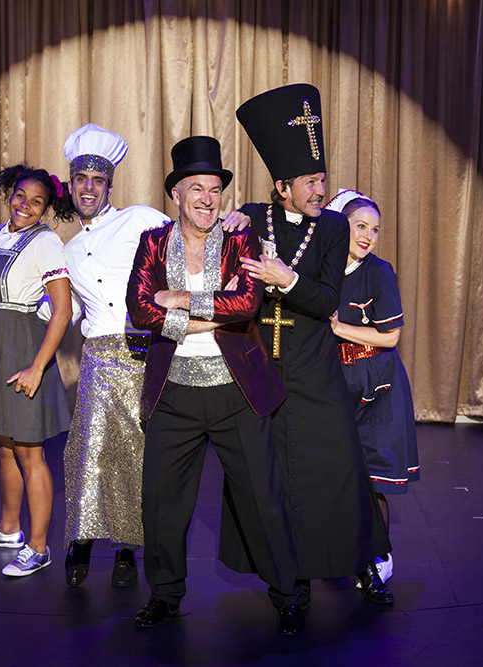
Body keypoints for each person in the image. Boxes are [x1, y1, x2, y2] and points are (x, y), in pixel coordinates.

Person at [126, 136, 304, 635]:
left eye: (215, 189)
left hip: (236, 392)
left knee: (262, 499)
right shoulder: (153, 242)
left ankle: (289, 593)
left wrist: (176, 300)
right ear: (177, 194)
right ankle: (163, 594)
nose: (208, 198)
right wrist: (202, 304)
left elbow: (245, 305)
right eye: (196, 188)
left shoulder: (241, 240)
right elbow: (140, 310)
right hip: (173, 395)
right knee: (161, 503)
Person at [60, 124, 250, 588]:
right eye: (80, 179)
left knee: (139, 458)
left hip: (147, 352)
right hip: (98, 358)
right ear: (69, 185)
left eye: (98, 180)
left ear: (109, 185)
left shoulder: (140, 220)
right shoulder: (64, 248)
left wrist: (239, 216)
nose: (89, 187)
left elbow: (196, 226)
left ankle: (128, 549)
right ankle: (81, 543)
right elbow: (58, 308)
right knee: (88, 453)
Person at [234, 84, 393, 604]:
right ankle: (291, 580)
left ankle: (367, 561)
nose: (320, 188)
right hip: (265, 366)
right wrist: (231, 221)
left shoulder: (330, 229)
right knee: (275, 474)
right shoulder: (255, 218)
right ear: (283, 185)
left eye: (322, 178)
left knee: (339, 466)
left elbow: (327, 300)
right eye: (309, 180)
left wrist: (285, 279)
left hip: (315, 364)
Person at [0, 164, 73, 577]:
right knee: (2, 445)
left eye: (36, 202)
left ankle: (39, 547)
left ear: (46, 210)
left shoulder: (45, 242)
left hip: (24, 347)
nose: (25, 205)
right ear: (11, 193)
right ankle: (8, 530)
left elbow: (62, 310)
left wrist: (37, 368)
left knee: (30, 451)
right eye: (21, 196)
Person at [325, 188, 421, 584]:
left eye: (375, 229)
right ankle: (339, 551)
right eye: (360, 226)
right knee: (336, 478)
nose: (367, 235)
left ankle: (376, 558)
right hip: (335, 383)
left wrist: (339, 327)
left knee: (372, 479)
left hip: (378, 383)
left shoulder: (378, 271)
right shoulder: (325, 271)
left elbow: (391, 336)